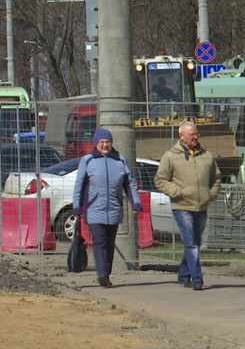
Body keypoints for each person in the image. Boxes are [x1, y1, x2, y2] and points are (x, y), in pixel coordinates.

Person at [72, 128, 143, 287]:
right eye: (101, 142)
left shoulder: (120, 160)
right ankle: (102, 274)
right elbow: (79, 186)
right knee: (100, 241)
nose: (105, 145)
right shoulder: (88, 160)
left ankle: (106, 273)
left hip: (114, 209)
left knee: (110, 243)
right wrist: (77, 206)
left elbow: (129, 183)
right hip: (94, 210)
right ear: (96, 143)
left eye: (107, 142)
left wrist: (136, 203)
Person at [154, 121, 220, 291]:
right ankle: (197, 278)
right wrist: (177, 192)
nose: (195, 137)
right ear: (181, 136)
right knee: (191, 243)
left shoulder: (207, 156)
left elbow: (216, 178)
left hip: (201, 206)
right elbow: (160, 180)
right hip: (182, 206)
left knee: (195, 242)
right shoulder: (170, 156)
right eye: (192, 134)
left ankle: (183, 274)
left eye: (196, 133)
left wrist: (210, 194)